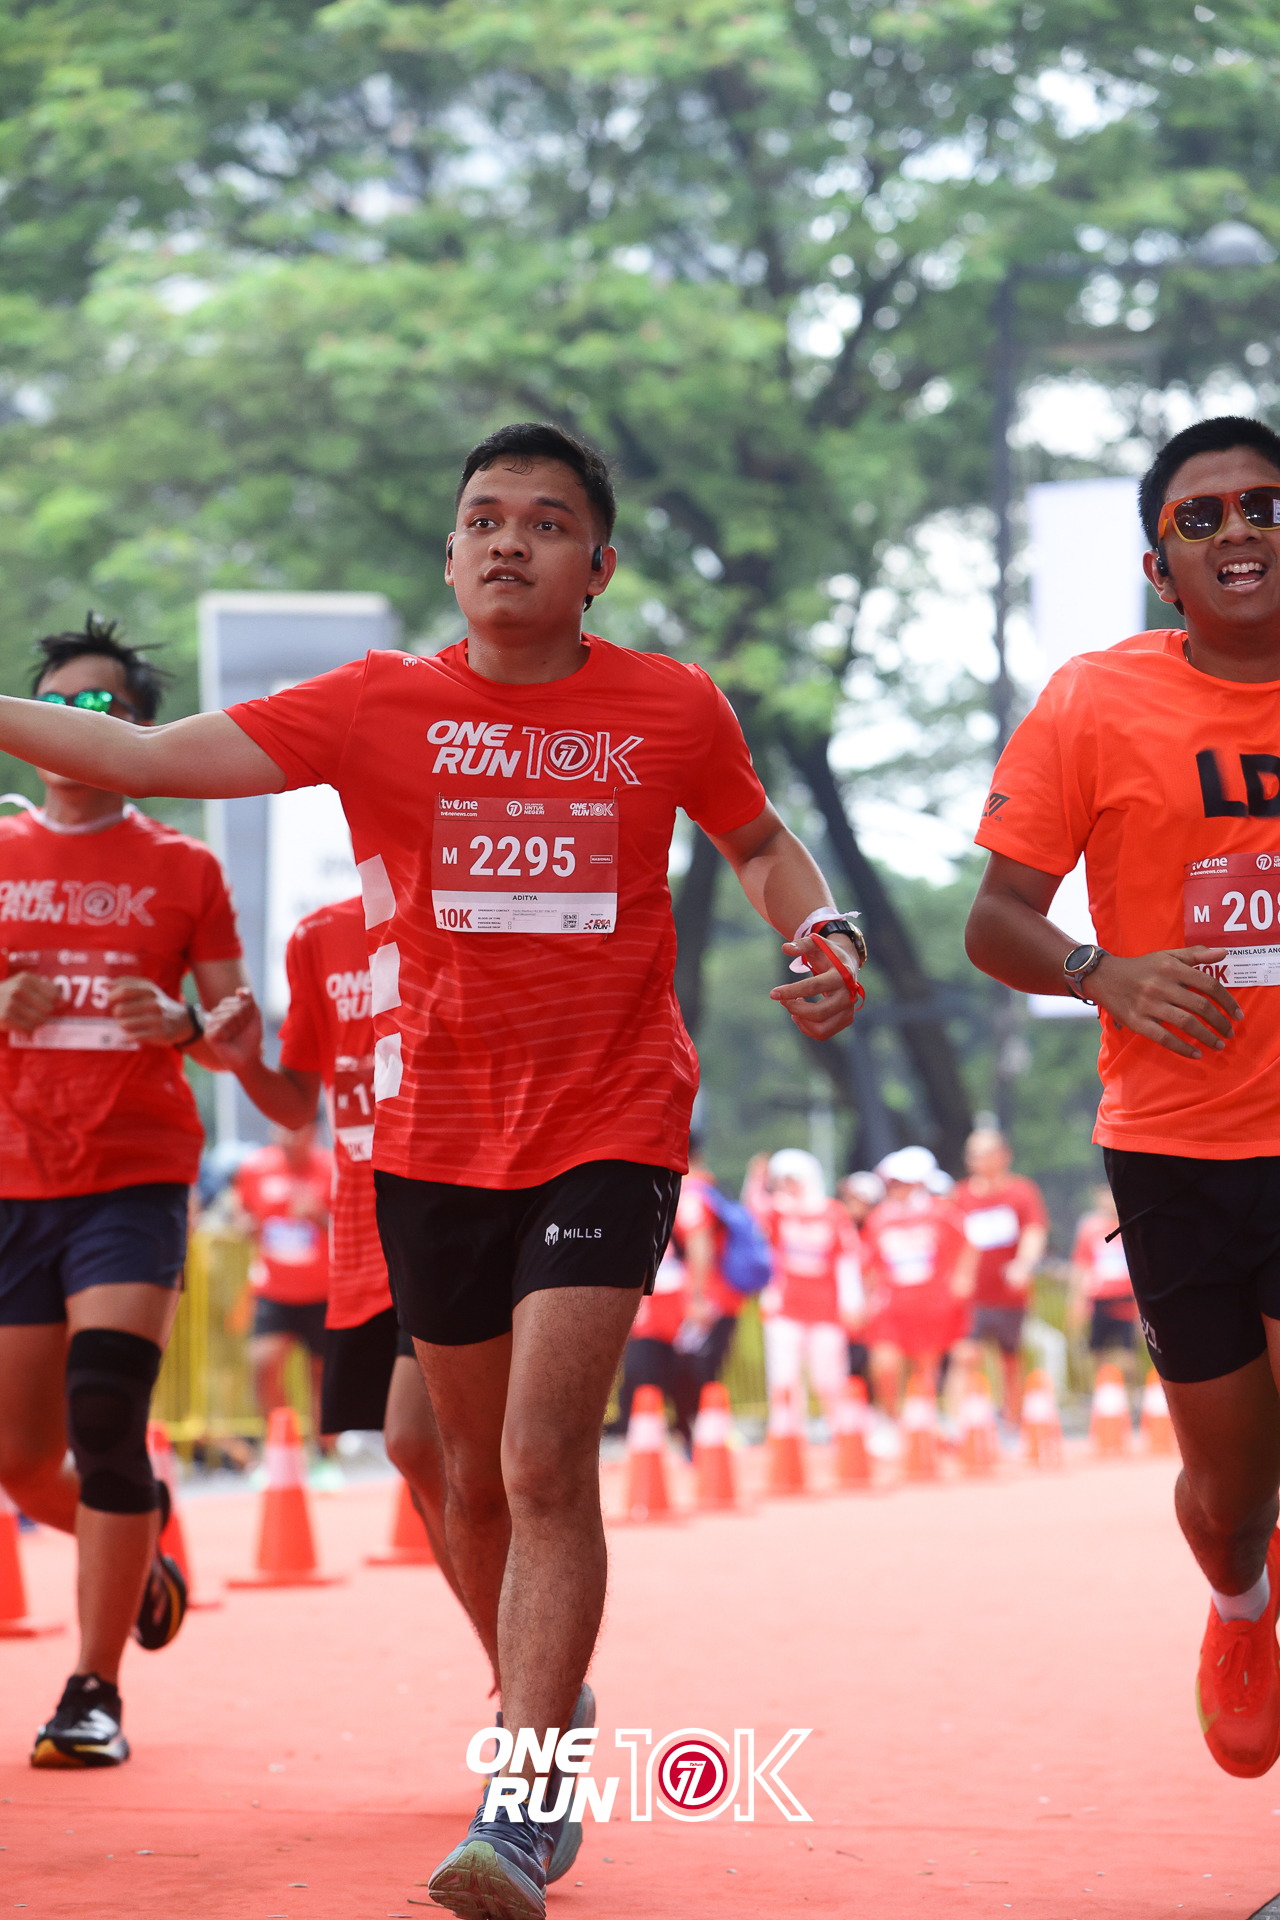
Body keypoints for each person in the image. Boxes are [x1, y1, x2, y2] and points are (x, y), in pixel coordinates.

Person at [0, 422, 866, 1913]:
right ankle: (547, 1698)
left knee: (538, 1459)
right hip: (433, 1140)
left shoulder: (671, 705)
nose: (508, 539)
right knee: (456, 1470)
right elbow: (138, 756)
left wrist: (823, 927)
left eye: (546, 520)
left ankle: (522, 1801)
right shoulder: (375, 705)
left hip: (610, 1119)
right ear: (452, 555)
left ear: (599, 565)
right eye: (483, 518)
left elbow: (761, 840)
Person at [965, 412, 1280, 1781]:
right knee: (1232, 1489)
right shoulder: (1094, 701)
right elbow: (994, 922)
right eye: (1198, 518)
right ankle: (1239, 1604)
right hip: (1174, 1150)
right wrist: (1104, 972)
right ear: (1160, 569)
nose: (1237, 530)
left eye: (1263, 504)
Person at [0, 614, 248, 1769]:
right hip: (13, 1175)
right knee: (19, 1458)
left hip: (134, 1172)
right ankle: (139, 1543)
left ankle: (91, 1691)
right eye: (56, 704)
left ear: (139, 731)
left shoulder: (184, 867)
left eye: (99, 707)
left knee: (105, 1415)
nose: (72, 725)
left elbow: (235, 1029)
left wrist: (186, 1023)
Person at [204, 895, 484, 1656]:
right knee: (417, 1453)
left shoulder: (466, 901)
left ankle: (533, 1680)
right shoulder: (318, 936)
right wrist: (245, 1062)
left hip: (467, 1209)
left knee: (461, 1453)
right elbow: (297, 1097)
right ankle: (516, 1667)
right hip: (363, 1243)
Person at [231, 1120, 336, 1483]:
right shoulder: (256, 1167)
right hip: (273, 1289)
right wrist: (245, 1223)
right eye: (281, 1127)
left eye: (296, 1128)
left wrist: (319, 1217)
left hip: (323, 1291)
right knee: (263, 1364)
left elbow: (354, 1223)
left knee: (321, 1375)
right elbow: (240, 1210)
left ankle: (325, 1457)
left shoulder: (331, 1168)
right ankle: (281, 1452)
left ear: (312, 1131)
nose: (288, 1135)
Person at [746, 1148, 863, 1430]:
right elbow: (751, 1212)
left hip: (826, 1310)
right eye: (783, 1180)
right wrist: (756, 1177)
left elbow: (847, 1260)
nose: (789, 1186)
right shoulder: (776, 1212)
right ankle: (786, 1435)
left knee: (829, 1377)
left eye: (794, 1179)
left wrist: (852, 1302)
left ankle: (846, 1432)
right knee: (784, 1377)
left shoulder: (833, 1213)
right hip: (784, 1308)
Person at [860, 1146, 975, 1418]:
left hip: (931, 1304)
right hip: (890, 1306)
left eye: (901, 1183)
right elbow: (868, 1262)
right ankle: (892, 1419)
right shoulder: (879, 1218)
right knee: (885, 1365)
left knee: (926, 1368)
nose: (895, 1189)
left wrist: (962, 1279)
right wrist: (865, 1297)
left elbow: (969, 1245)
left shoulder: (942, 1213)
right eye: (892, 1184)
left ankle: (922, 1421)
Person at [951, 1128, 1049, 1425]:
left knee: (1010, 1359)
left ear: (1003, 1156)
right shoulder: (960, 1196)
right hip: (973, 1296)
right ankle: (958, 1424)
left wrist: (1024, 1264)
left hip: (1009, 1294)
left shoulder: (1021, 1192)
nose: (977, 1161)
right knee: (965, 1355)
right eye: (973, 1155)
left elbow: (1034, 1231)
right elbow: (952, 1241)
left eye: (985, 1154)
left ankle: (1012, 1420)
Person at [1068, 1184, 1139, 1390]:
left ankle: (1129, 1393)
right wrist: (1076, 1300)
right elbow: (1082, 1266)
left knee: (1127, 1352)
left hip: (1125, 1297)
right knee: (1096, 1350)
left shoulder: (1131, 1226)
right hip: (1099, 1298)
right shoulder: (1091, 1230)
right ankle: (1102, 1392)